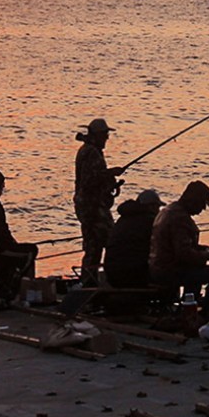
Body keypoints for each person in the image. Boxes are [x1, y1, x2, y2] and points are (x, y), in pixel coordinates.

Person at [149, 180, 209, 318]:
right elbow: (183, 254)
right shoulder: (180, 218)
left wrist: (201, 249)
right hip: (169, 271)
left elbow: (178, 246)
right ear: (193, 201)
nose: (202, 209)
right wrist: (207, 256)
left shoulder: (168, 210)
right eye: (202, 204)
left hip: (157, 268)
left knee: (195, 272)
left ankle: (188, 310)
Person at [73, 118, 124, 285]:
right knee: (112, 241)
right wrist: (111, 173)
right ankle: (106, 280)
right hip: (92, 207)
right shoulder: (91, 153)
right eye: (105, 134)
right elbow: (90, 181)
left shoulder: (87, 150)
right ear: (98, 135)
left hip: (88, 205)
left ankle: (88, 282)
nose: (107, 138)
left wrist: (110, 183)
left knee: (93, 246)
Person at [104, 188, 163, 289]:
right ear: (151, 206)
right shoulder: (149, 221)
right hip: (133, 275)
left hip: (112, 275)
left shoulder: (123, 219)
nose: (158, 211)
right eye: (157, 207)